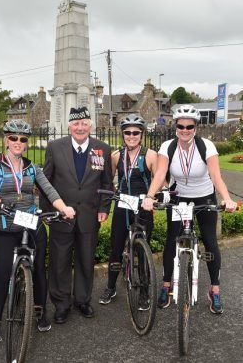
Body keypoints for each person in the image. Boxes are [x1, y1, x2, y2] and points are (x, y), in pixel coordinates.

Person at [0, 119, 75, 341]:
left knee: (38, 272)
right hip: (7, 227)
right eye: (13, 138)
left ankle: (39, 313)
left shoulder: (32, 168)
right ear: (7, 140)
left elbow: (49, 190)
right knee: (3, 275)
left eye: (22, 139)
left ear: (27, 143)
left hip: (32, 224)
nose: (18, 142)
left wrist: (64, 208)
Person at [142, 104, 237, 314]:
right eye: (181, 126)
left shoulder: (207, 146)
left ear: (196, 128)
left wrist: (228, 199)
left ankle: (214, 290)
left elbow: (216, 176)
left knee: (210, 241)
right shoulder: (168, 146)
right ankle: (166, 286)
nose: (185, 130)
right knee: (171, 240)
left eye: (189, 127)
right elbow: (160, 175)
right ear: (175, 126)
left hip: (204, 197)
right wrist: (150, 196)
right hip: (179, 199)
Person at [41, 106, 113, 324]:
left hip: (89, 216)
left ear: (90, 126)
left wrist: (103, 208)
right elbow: (45, 181)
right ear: (69, 126)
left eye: (84, 124)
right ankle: (61, 305)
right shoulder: (55, 147)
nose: (80, 128)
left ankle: (82, 300)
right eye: (76, 124)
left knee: (85, 260)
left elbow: (107, 182)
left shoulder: (102, 149)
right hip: (62, 216)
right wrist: (48, 212)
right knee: (59, 262)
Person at [99, 114, 158, 306]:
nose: (131, 136)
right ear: (123, 134)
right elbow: (109, 180)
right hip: (123, 206)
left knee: (142, 251)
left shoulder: (150, 155)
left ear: (141, 135)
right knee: (116, 249)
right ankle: (110, 287)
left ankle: (144, 291)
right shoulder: (116, 155)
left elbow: (159, 181)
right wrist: (110, 196)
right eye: (127, 132)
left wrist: (153, 197)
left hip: (143, 207)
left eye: (135, 132)